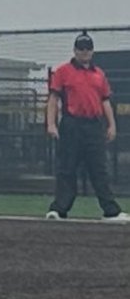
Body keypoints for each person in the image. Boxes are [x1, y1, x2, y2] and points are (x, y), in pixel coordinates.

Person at [45, 32, 128, 222]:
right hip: (71, 124)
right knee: (67, 168)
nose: (84, 52)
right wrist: (51, 123)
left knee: (99, 168)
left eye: (87, 49)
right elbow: (54, 98)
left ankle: (110, 211)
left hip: (93, 126)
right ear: (75, 50)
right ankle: (59, 209)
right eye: (81, 49)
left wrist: (112, 125)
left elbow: (105, 101)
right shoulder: (63, 71)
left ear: (92, 51)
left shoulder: (99, 74)